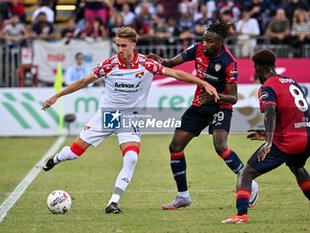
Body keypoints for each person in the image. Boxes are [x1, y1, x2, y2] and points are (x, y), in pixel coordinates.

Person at [41, 27, 219, 214]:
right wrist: (57, 96)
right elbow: (84, 81)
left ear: (134, 45)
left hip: (129, 118)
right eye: (117, 45)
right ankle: (55, 158)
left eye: (124, 45)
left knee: (132, 157)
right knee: (74, 153)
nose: (120, 49)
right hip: (107, 116)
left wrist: (203, 83)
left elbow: (176, 74)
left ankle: (113, 202)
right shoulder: (109, 64)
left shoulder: (146, 64)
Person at [147, 21, 259, 210]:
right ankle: (183, 196)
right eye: (204, 40)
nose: (205, 44)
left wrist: (215, 95)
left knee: (220, 146)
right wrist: (159, 60)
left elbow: (233, 98)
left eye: (210, 41)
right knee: (175, 146)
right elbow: (171, 63)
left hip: (220, 106)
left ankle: (250, 184)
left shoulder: (229, 62)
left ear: (220, 42)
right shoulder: (197, 49)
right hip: (199, 105)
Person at [221, 48, 310, 224]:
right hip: (306, 137)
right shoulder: (291, 81)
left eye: (255, 70)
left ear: (258, 68)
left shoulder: (267, 86)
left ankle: (241, 214)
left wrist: (269, 141)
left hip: (288, 142)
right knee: (296, 166)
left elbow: (270, 112)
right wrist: (270, 133)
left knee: (246, 173)